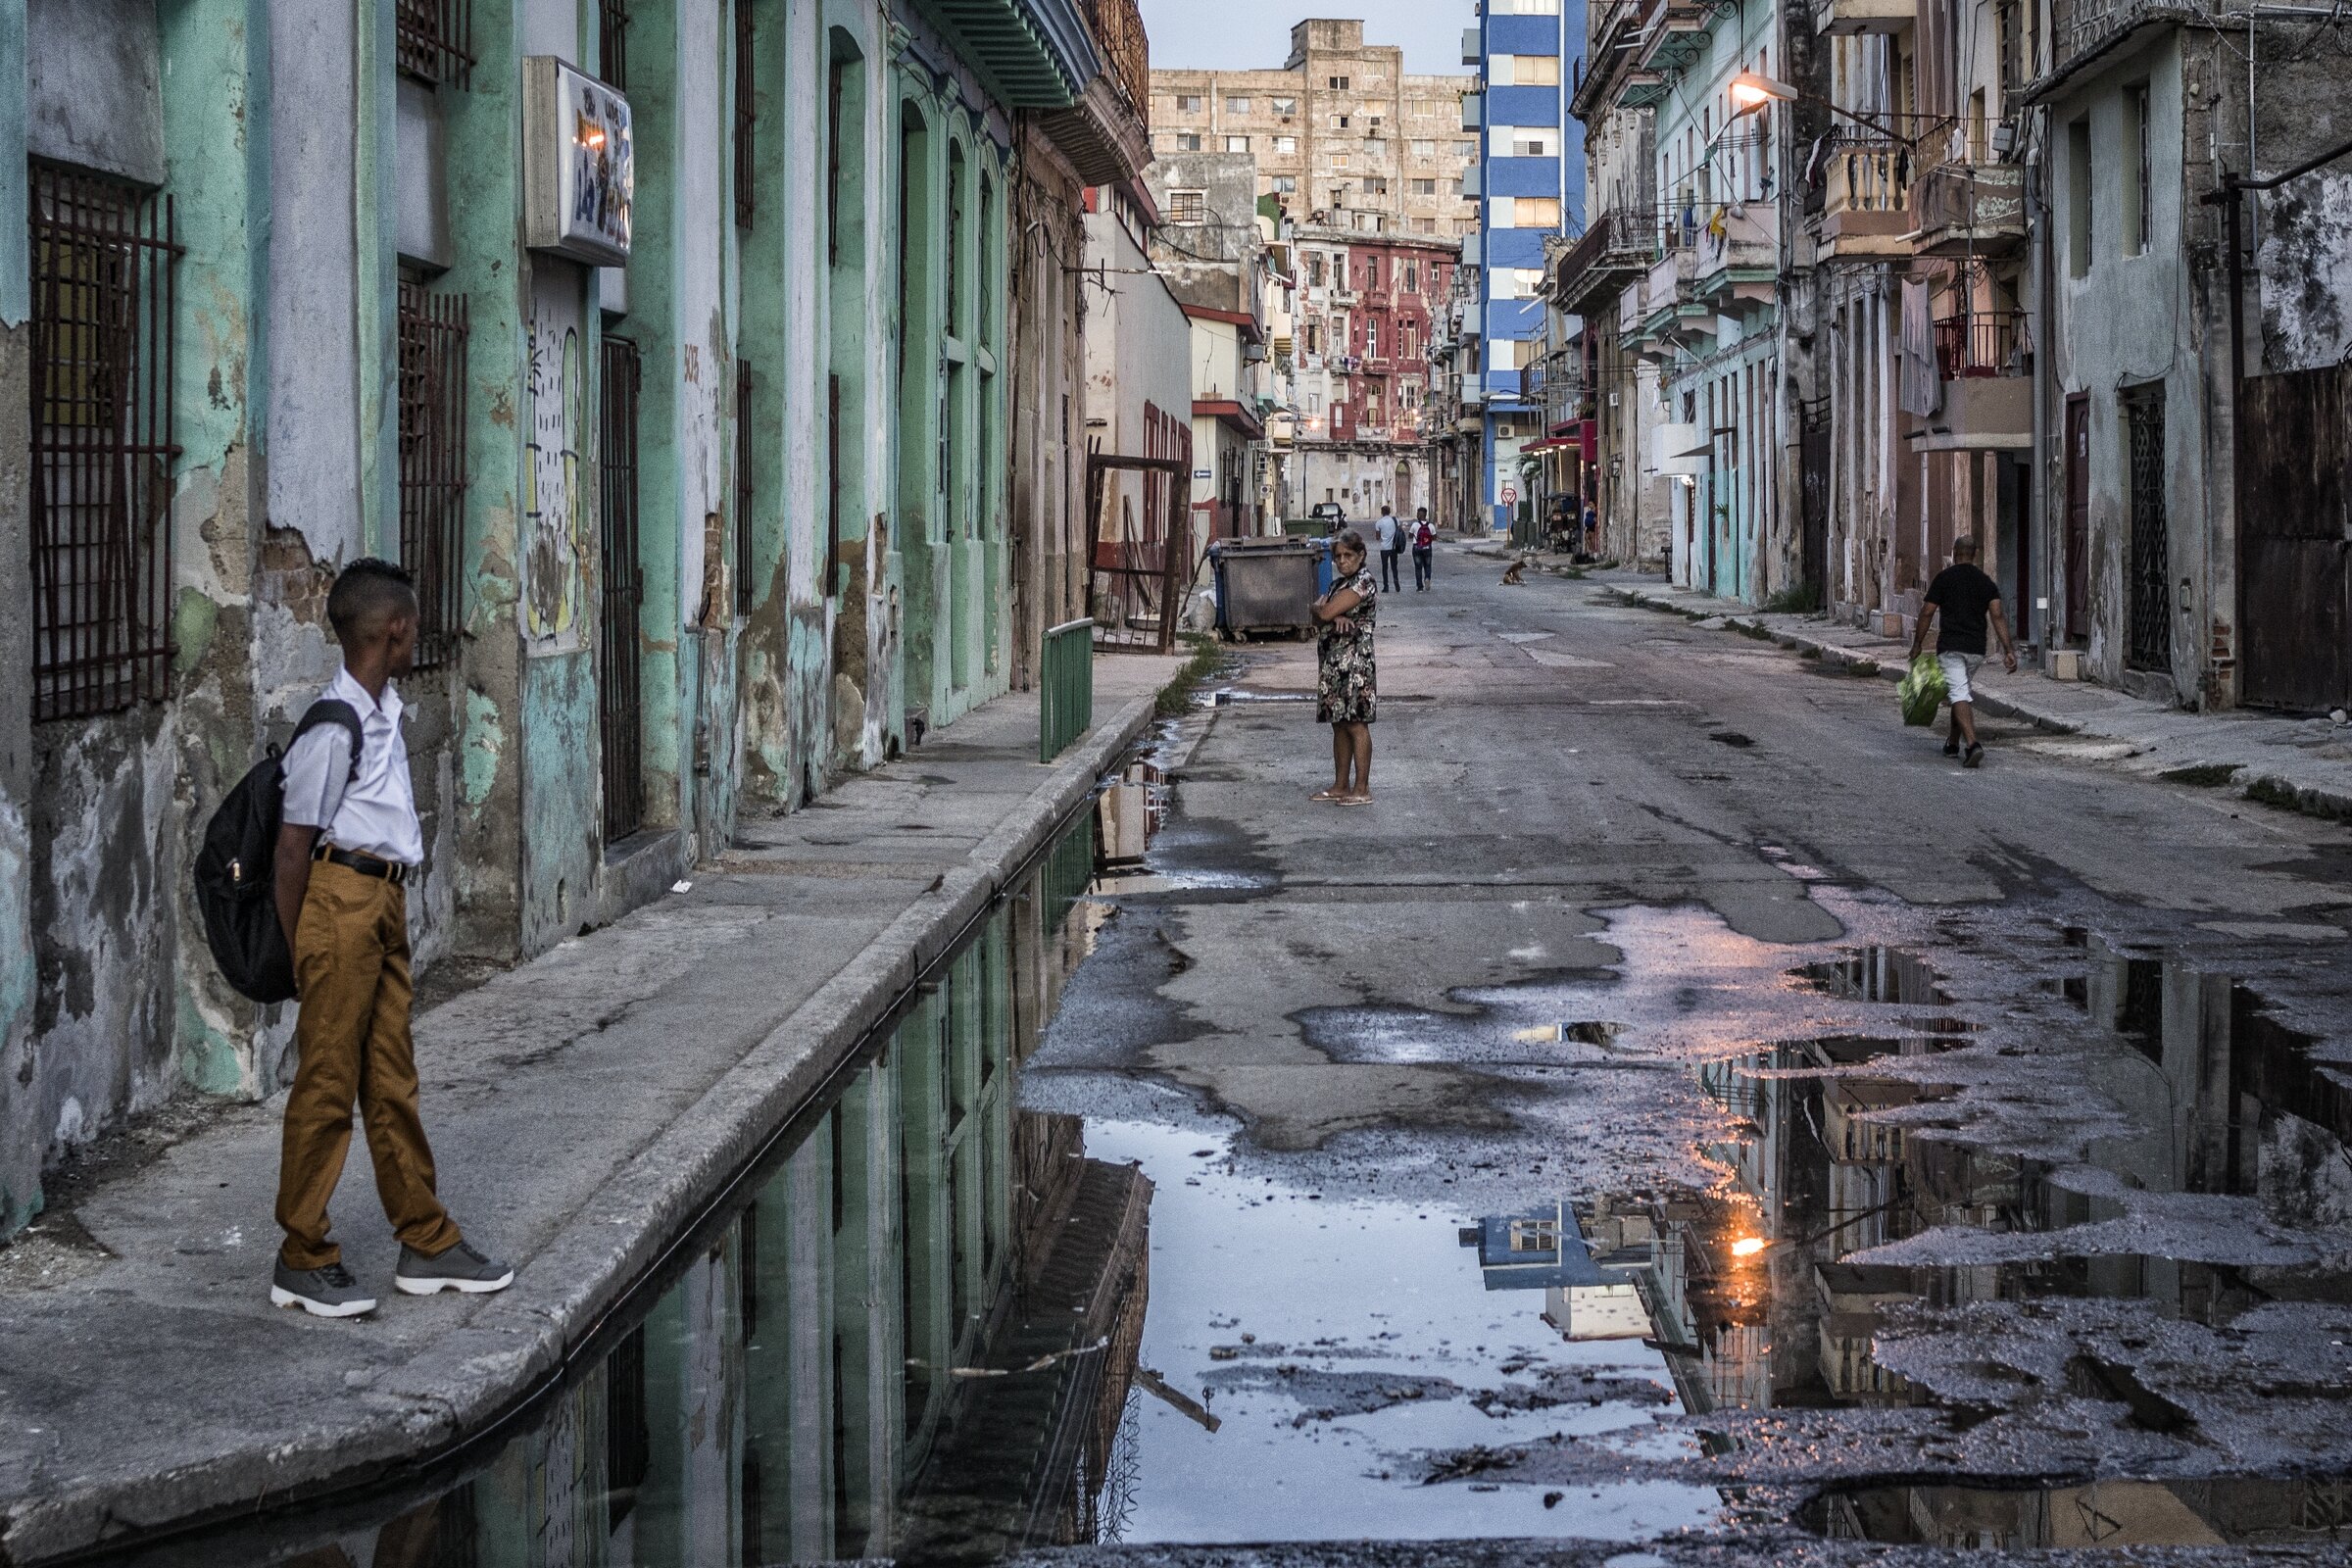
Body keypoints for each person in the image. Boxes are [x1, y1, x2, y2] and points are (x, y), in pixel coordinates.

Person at [270, 559, 513, 1317]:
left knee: (391, 1080)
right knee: (327, 1083)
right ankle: (301, 1255)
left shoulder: (385, 712)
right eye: (413, 625)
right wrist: (297, 951)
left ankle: (426, 1240)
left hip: (382, 903)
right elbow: (290, 847)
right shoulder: (334, 724)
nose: (417, 635)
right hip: (339, 905)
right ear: (396, 630)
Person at [1907, 536, 2019, 768]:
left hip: (1950, 648)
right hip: (1976, 650)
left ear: (1954, 552)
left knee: (1959, 693)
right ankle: (1952, 744)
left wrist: (1917, 643)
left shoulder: (1944, 578)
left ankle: (1972, 745)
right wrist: (2008, 650)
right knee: (1961, 692)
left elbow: (1927, 612)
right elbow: (1997, 615)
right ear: (1974, 554)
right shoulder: (1985, 582)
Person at [1311, 531, 1378, 805]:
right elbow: (1315, 614)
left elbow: (1321, 612)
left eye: (1348, 555)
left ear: (1360, 555)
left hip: (1355, 663)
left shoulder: (1365, 582)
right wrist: (1329, 611)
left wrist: (1327, 611)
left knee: (1356, 723)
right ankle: (1341, 785)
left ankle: (1361, 788)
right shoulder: (1339, 584)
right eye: (1337, 556)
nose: (1342, 561)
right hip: (1333, 664)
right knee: (1339, 723)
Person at [1375, 505, 1403, 593]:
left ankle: (1386, 586)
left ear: (1382, 512)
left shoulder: (1379, 523)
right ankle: (1396, 580)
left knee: (1384, 567)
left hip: (1384, 548)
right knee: (1394, 566)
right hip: (1393, 547)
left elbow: (1377, 537)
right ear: (1389, 512)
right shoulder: (1395, 520)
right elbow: (1400, 531)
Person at [1410, 508, 1436, 590]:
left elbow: (1410, 536)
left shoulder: (1415, 525)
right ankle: (1427, 578)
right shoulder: (1431, 525)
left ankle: (1419, 587)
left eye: (1418, 514)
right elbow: (1434, 537)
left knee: (1418, 567)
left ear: (1421, 515)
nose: (1417, 515)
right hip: (1427, 548)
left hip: (1417, 548)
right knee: (1427, 566)